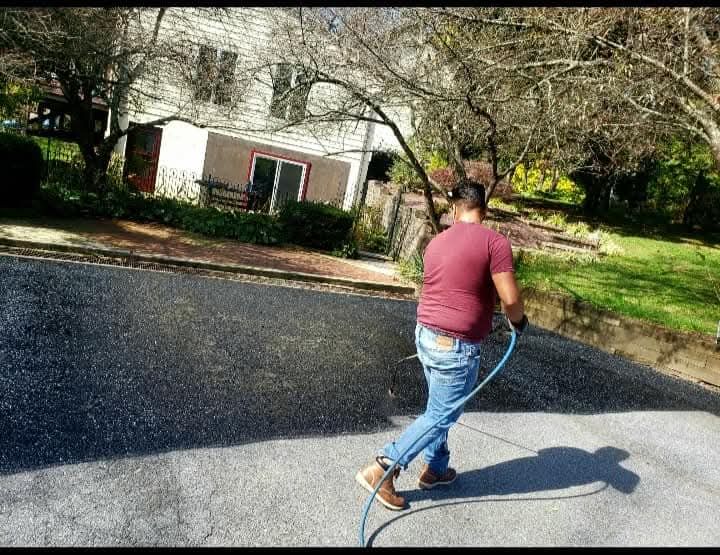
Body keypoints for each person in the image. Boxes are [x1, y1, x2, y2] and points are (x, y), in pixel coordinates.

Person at [355, 178, 529, 511]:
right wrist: (518, 322)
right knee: (440, 415)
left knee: (439, 406)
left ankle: (435, 468)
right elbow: (510, 299)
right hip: (455, 346)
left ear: (454, 207)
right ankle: (383, 468)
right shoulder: (494, 242)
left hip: (425, 335)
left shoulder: (436, 242)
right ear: (484, 208)